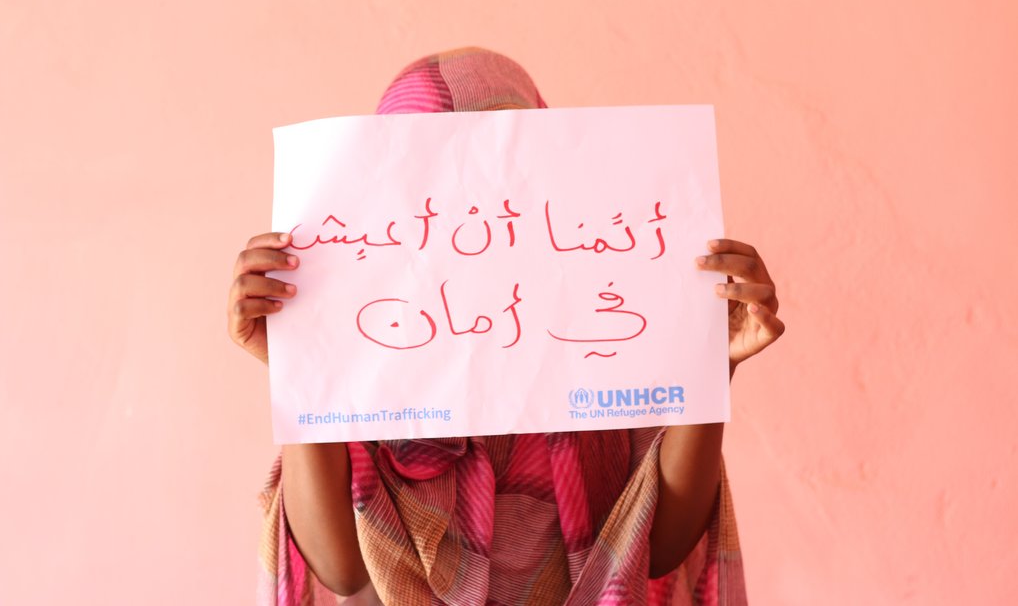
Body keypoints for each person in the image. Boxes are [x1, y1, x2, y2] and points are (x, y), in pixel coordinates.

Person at [229, 47, 785, 605]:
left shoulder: (611, 319)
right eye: (436, 173)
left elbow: (659, 548)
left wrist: (712, 367)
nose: (473, 209)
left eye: (498, 165)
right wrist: (299, 373)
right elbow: (340, 569)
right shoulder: (366, 342)